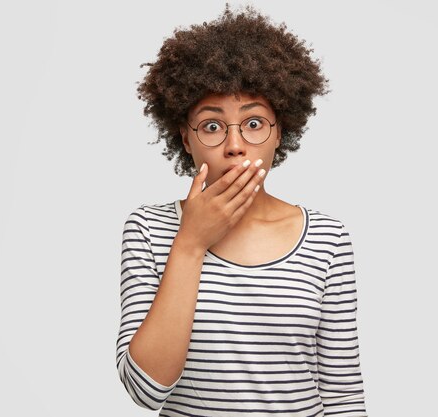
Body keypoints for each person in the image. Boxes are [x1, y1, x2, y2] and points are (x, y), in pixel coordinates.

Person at [116, 4, 368, 416]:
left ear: (279, 131)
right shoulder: (149, 229)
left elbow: (342, 396)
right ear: (185, 138)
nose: (235, 144)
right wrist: (191, 242)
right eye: (212, 126)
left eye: (253, 123)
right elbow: (145, 391)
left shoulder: (328, 238)